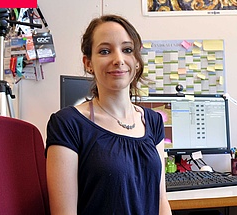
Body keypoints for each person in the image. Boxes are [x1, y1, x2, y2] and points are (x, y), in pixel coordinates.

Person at [45, 14, 172, 215]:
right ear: (88, 63)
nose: (118, 59)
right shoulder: (67, 124)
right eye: (105, 51)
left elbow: (161, 201)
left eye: (127, 50)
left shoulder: (153, 121)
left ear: (137, 61)